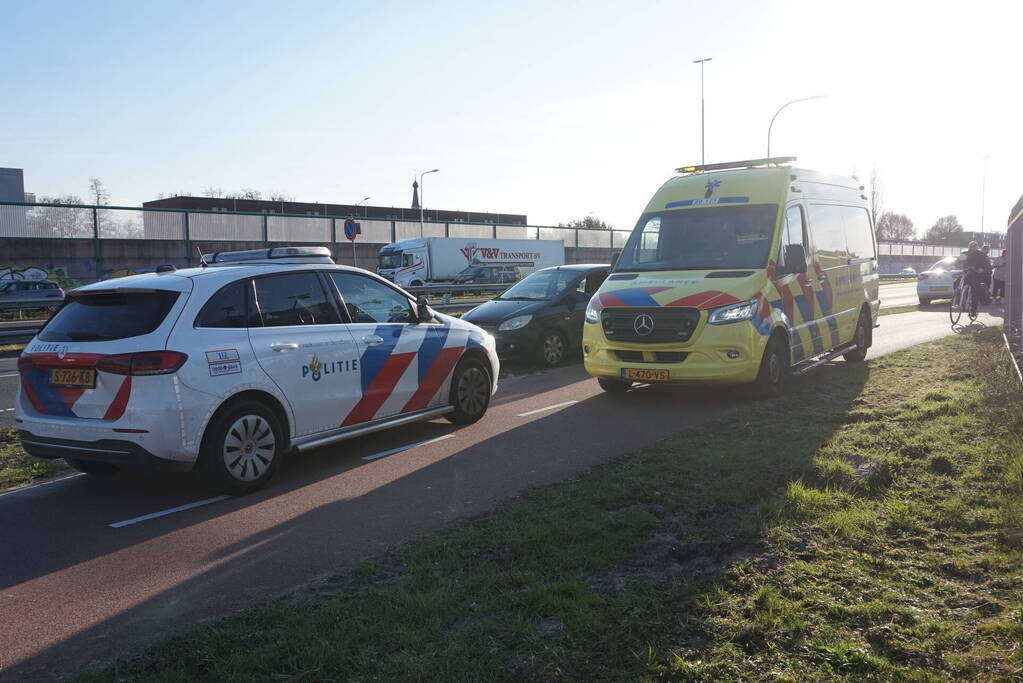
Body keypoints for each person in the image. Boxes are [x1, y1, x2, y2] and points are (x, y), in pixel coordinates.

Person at [956, 241, 990, 316]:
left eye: (974, 246)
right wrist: (955, 264)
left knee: (974, 292)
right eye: (971, 246)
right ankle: (957, 300)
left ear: (977, 247)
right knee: (957, 283)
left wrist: (981, 268)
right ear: (968, 247)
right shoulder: (965, 253)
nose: (972, 248)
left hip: (976, 274)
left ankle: (973, 311)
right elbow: (958, 261)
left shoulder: (981, 254)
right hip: (967, 273)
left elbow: (986, 264)